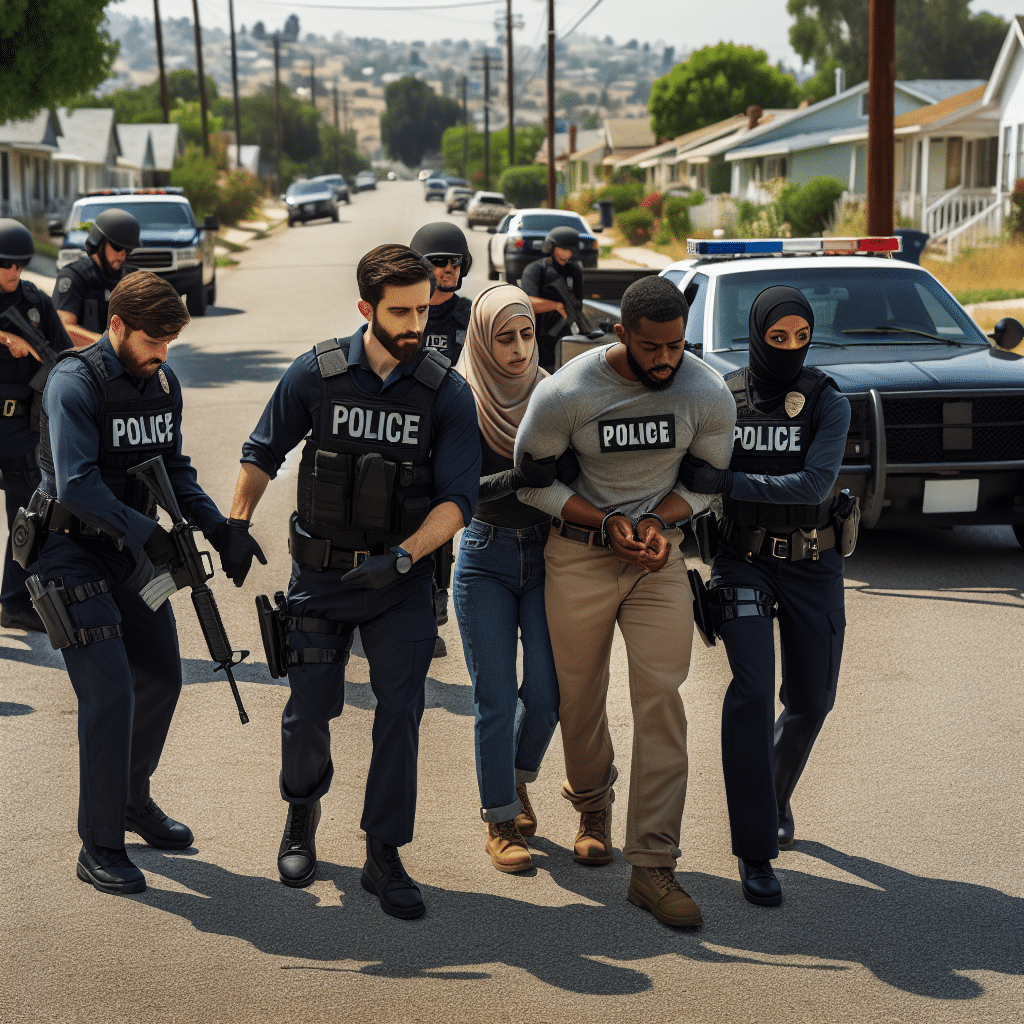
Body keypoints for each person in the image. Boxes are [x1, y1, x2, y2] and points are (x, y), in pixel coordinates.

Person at [227, 244, 480, 920]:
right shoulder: (318, 374)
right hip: (322, 578)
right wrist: (236, 523)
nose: (415, 324)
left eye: (423, 309)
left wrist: (404, 558)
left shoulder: (445, 391)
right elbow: (261, 453)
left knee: (401, 714)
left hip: (399, 582)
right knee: (310, 711)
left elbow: (459, 500)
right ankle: (301, 812)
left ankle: (383, 853)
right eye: (400, 311)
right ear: (365, 308)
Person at [514, 275, 736, 928]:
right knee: (578, 695)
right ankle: (591, 804)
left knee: (661, 700)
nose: (666, 359)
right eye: (651, 347)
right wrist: (603, 523)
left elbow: (707, 484)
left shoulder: (706, 391)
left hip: (657, 557)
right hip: (580, 554)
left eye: (676, 345)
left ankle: (653, 864)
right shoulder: (567, 393)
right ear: (621, 336)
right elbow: (531, 484)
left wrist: (654, 522)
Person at [30, 271, 252, 895]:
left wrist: (217, 526)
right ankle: (99, 843)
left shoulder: (162, 381)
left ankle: (130, 798)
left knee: (161, 676)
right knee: (109, 695)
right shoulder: (75, 382)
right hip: (68, 552)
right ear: (118, 325)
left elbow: (172, 466)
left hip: (132, 552)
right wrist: (145, 533)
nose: (162, 355)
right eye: (153, 341)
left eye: (170, 343)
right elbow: (75, 483)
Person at [678, 285, 851, 908]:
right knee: (751, 689)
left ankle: (775, 796)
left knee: (812, 700)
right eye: (777, 339)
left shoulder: (829, 402)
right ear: (757, 335)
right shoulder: (724, 394)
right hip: (740, 560)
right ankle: (755, 850)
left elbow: (814, 483)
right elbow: (685, 467)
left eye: (800, 339)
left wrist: (729, 478)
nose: (789, 350)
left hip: (813, 562)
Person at [452, 284, 577, 874]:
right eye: (505, 338)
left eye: (527, 334)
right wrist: (519, 481)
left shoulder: (555, 394)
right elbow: (453, 494)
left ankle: (517, 780)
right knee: (495, 699)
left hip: (550, 556)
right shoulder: (459, 399)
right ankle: (500, 818)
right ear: (482, 340)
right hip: (484, 556)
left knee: (549, 696)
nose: (520, 348)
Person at [0, 218, 74, 630]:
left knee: (26, 517)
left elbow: (62, 354)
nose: (15, 273)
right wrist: (5, 337)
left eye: (21, 265)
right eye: (6, 265)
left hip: (19, 428)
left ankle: (14, 601)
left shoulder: (34, 301)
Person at [408, 221, 475, 657]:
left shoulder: (470, 314)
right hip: (409, 428)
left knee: (446, 516)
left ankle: (432, 606)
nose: (448, 268)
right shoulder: (407, 308)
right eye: (438, 261)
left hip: (451, 427)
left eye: (455, 261)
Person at [53, 208, 140, 348]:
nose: (122, 255)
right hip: (80, 362)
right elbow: (64, 328)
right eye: (118, 247)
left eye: (127, 250)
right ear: (99, 241)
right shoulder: (73, 276)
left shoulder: (128, 279)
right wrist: (109, 345)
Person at [520, 226, 585, 373]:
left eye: (570, 250)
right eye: (562, 248)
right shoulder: (536, 269)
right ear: (552, 247)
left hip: (564, 335)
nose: (566, 254)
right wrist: (555, 306)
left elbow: (578, 303)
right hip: (537, 334)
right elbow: (527, 303)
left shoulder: (574, 271)